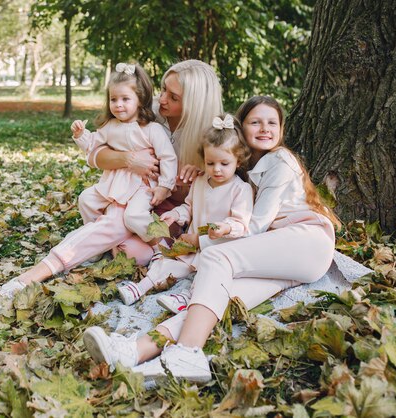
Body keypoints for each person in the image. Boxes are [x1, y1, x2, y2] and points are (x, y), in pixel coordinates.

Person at [83, 96, 338, 383]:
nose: (265, 128)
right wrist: (199, 173)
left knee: (217, 257)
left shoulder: (279, 161)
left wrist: (197, 241)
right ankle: (136, 350)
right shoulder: (242, 165)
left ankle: (188, 353)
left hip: (305, 242)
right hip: (282, 257)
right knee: (216, 297)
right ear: (242, 130)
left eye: (272, 122)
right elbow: (218, 183)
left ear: (281, 128)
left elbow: (253, 228)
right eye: (256, 122)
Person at [0, 60, 223, 315]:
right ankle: (35, 274)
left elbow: (221, 188)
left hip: (167, 214)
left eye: (173, 96)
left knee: (130, 248)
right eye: (163, 89)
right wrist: (129, 160)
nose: (162, 98)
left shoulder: (213, 136)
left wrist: (199, 175)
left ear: (193, 104)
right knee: (113, 223)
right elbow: (96, 154)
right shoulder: (150, 111)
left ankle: (76, 253)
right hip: (134, 196)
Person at [116, 113, 253, 305]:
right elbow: (189, 207)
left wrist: (227, 227)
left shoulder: (240, 189)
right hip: (190, 246)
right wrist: (175, 214)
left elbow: (242, 223)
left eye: (224, 164)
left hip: (218, 248)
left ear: (238, 161)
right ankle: (140, 288)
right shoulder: (200, 181)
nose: (217, 169)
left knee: (209, 274)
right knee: (167, 265)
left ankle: (187, 299)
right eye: (210, 163)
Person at [71, 63, 177, 246]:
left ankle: (160, 245)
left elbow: (168, 157)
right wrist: (80, 135)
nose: (118, 105)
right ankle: (96, 239)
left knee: (134, 215)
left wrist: (165, 186)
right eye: (113, 99)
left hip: (142, 185)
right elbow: (92, 145)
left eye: (125, 99)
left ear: (140, 99)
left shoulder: (152, 129)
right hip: (114, 181)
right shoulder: (110, 126)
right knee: (86, 199)